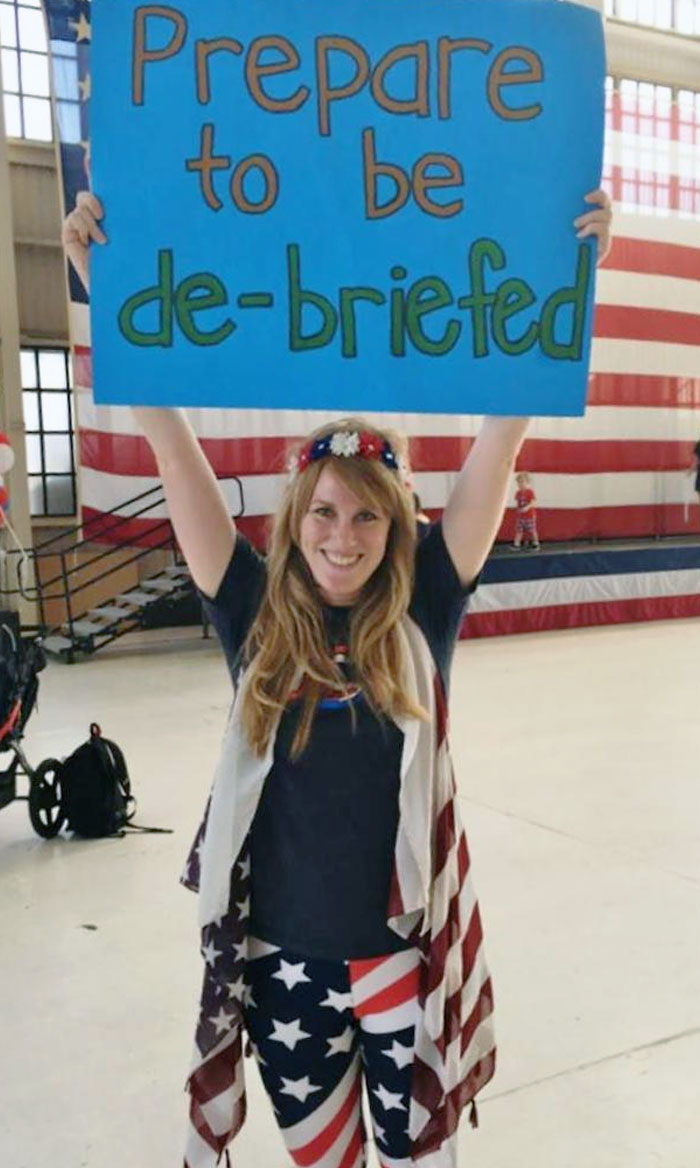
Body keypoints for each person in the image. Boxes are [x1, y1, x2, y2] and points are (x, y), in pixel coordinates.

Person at [62, 189, 612, 1168]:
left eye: (365, 516)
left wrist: (569, 280)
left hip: (402, 957)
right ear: (294, 516)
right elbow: (168, 440)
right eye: (323, 512)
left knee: (413, 1161)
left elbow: (502, 438)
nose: (341, 535)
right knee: (324, 1161)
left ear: (395, 525)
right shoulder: (252, 613)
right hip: (286, 972)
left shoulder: (425, 603)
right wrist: (110, 295)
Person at [513, 471, 540, 550]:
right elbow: (518, 503)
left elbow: (533, 502)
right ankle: (516, 544)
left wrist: (527, 507)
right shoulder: (518, 493)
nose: (520, 485)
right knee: (519, 530)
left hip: (529, 516)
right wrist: (518, 509)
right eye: (518, 483)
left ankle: (536, 543)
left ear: (527, 482)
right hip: (521, 516)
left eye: (522, 482)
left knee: (532, 530)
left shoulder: (530, 492)